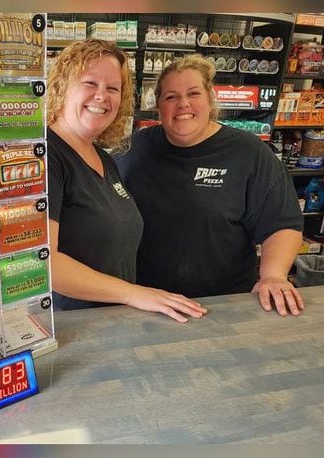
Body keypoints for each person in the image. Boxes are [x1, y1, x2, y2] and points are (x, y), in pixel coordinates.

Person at [119, 54, 306, 316]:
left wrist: (273, 276)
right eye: (171, 97)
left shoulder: (249, 153)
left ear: (210, 99)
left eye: (193, 93)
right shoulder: (133, 149)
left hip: (223, 305)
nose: (183, 104)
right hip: (147, 302)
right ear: (158, 105)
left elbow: (282, 224)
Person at [46, 39, 207, 323]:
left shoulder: (102, 157)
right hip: (75, 330)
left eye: (112, 88)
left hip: (114, 323)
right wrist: (133, 293)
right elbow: (45, 264)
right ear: (62, 86)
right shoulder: (47, 155)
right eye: (90, 83)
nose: (101, 96)